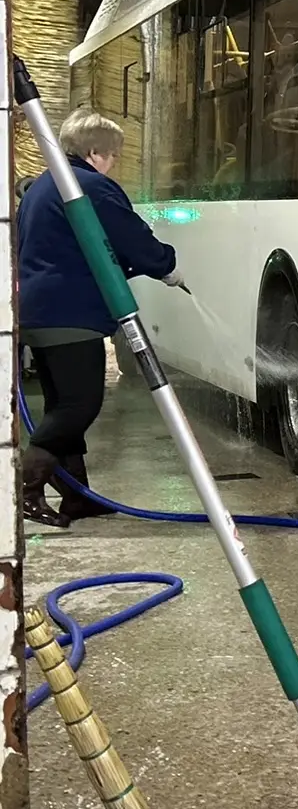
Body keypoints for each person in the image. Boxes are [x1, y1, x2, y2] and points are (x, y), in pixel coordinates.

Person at [17, 111, 184, 528]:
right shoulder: (88, 187)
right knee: (79, 404)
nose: (113, 162)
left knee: (61, 403)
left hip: (38, 310)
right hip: (71, 312)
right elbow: (131, 239)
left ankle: (76, 496)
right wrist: (166, 265)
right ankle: (24, 488)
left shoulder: (42, 185)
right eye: (112, 155)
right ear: (94, 152)